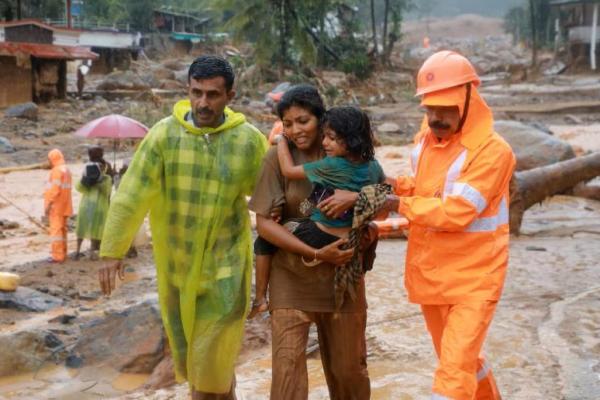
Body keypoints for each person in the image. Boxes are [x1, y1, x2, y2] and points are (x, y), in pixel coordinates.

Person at [97, 55, 269, 399]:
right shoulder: (163, 136)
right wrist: (112, 251)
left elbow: (272, 198)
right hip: (177, 271)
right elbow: (132, 194)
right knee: (204, 367)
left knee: (209, 366)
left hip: (226, 270)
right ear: (187, 91)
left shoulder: (247, 141)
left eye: (213, 95)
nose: (203, 102)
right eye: (196, 93)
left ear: (230, 96)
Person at [374, 50, 516, 399]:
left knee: (452, 374)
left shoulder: (493, 152)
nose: (435, 117)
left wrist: (396, 203)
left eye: (445, 108)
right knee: (464, 362)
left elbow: (457, 211)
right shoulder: (427, 137)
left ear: (469, 97)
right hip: (433, 273)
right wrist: (392, 185)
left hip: (474, 280)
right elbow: (426, 185)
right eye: (429, 108)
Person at [248, 85, 372, 400]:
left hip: (342, 279)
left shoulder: (350, 153)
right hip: (291, 277)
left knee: (349, 374)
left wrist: (354, 198)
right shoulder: (277, 158)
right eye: (287, 124)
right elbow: (263, 224)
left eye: (303, 121)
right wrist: (315, 251)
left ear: (321, 117)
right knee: (287, 376)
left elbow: (386, 197)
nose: (295, 130)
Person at [249, 105, 385, 318]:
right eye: (324, 137)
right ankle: (367, 259)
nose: (324, 143)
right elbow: (382, 194)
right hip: (352, 238)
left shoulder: (331, 165)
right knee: (320, 200)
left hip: (319, 235)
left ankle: (259, 299)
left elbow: (288, 170)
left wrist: (281, 141)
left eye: (331, 138)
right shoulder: (374, 167)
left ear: (349, 140)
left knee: (266, 238)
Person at [73, 146, 113, 261]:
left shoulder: (88, 167)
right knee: (98, 228)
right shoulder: (106, 167)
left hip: (87, 202)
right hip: (101, 204)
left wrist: (87, 180)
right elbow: (108, 190)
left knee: (82, 226)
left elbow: (80, 187)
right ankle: (93, 251)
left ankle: (77, 251)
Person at [44, 149, 73, 263]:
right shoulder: (66, 170)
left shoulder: (56, 171)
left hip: (56, 206)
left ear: (52, 158)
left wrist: (48, 205)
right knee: (63, 231)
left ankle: (57, 256)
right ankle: (63, 253)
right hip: (66, 205)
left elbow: (54, 190)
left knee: (56, 232)